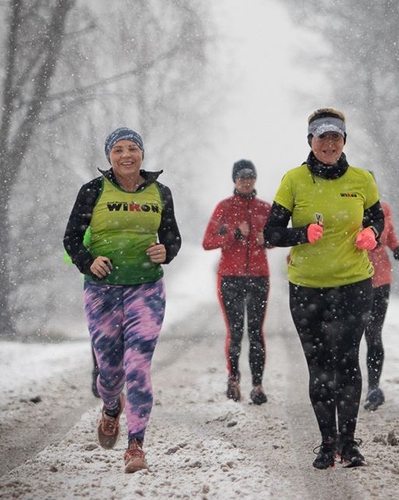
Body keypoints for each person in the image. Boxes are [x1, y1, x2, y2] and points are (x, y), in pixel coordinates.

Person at [263, 108, 384, 469]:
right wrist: (301, 234)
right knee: (319, 368)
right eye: (322, 137)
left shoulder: (361, 180)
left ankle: (348, 444)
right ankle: (326, 443)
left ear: (344, 141)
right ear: (310, 141)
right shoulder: (294, 180)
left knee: (347, 363)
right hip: (308, 289)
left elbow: (377, 218)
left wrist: (372, 234)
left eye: (336, 137)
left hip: (354, 285)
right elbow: (270, 233)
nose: (329, 144)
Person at [63, 127, 181, 474]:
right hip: (102, 291)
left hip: (146, 288)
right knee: (111, 372)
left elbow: (172, 237)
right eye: (118, 150)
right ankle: (112, 407)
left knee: (138, 368)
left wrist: (166, 251)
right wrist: (88, 261)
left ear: (142, 154)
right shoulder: (92, 191)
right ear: (109, 157)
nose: (126, 155)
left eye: (132, 148)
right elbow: (71, 238)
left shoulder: (161, 192)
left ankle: (135, 446)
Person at [202, 160, 272, 405]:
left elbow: (276, 238)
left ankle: (257, 385)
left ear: (255, 179)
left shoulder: (265, 208)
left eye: (250, 176)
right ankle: (233, 379)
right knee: (235, 331)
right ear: (234, 179)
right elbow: (208, 241)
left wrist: (268, 239)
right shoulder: (224, 207)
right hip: (230, 277)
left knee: (255, 332)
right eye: (241, 177)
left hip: (258, 277)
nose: (246, 181)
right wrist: (235, 233)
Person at [363, 201, 399, 411]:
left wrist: (396, 247)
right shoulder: (345, 207)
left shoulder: (383, 209)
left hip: (380, 279)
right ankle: (344, 387)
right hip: (353, 281)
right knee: (349, 337)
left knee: (374, 334)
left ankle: (373, 387)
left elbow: (389, 234)